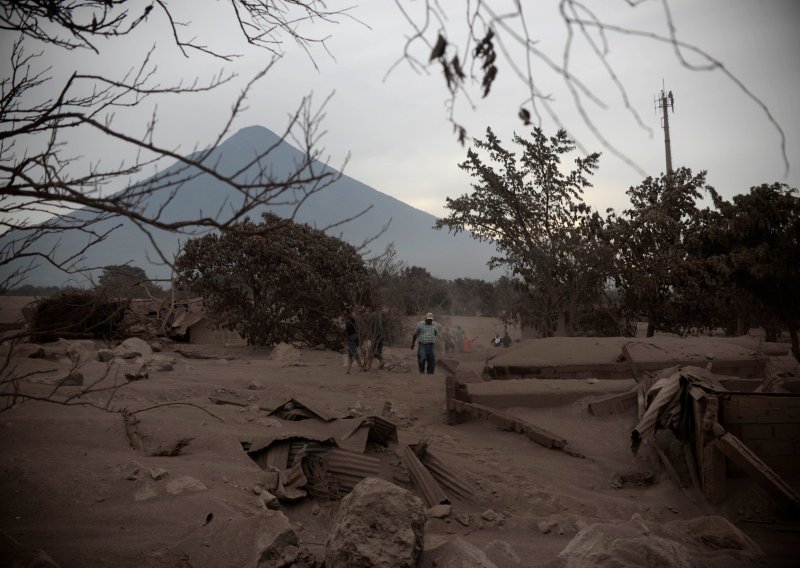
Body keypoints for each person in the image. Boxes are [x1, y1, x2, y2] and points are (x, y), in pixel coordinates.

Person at [344, 305, 360, 373]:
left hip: (353, 336)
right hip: (352, 336)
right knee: (350, 352)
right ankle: (348, 369)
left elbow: (354, 323)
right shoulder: (349, 317)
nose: (344, 311)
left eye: (346, 310)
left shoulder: (350, 317)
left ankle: (361, 366)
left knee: (353, 352)